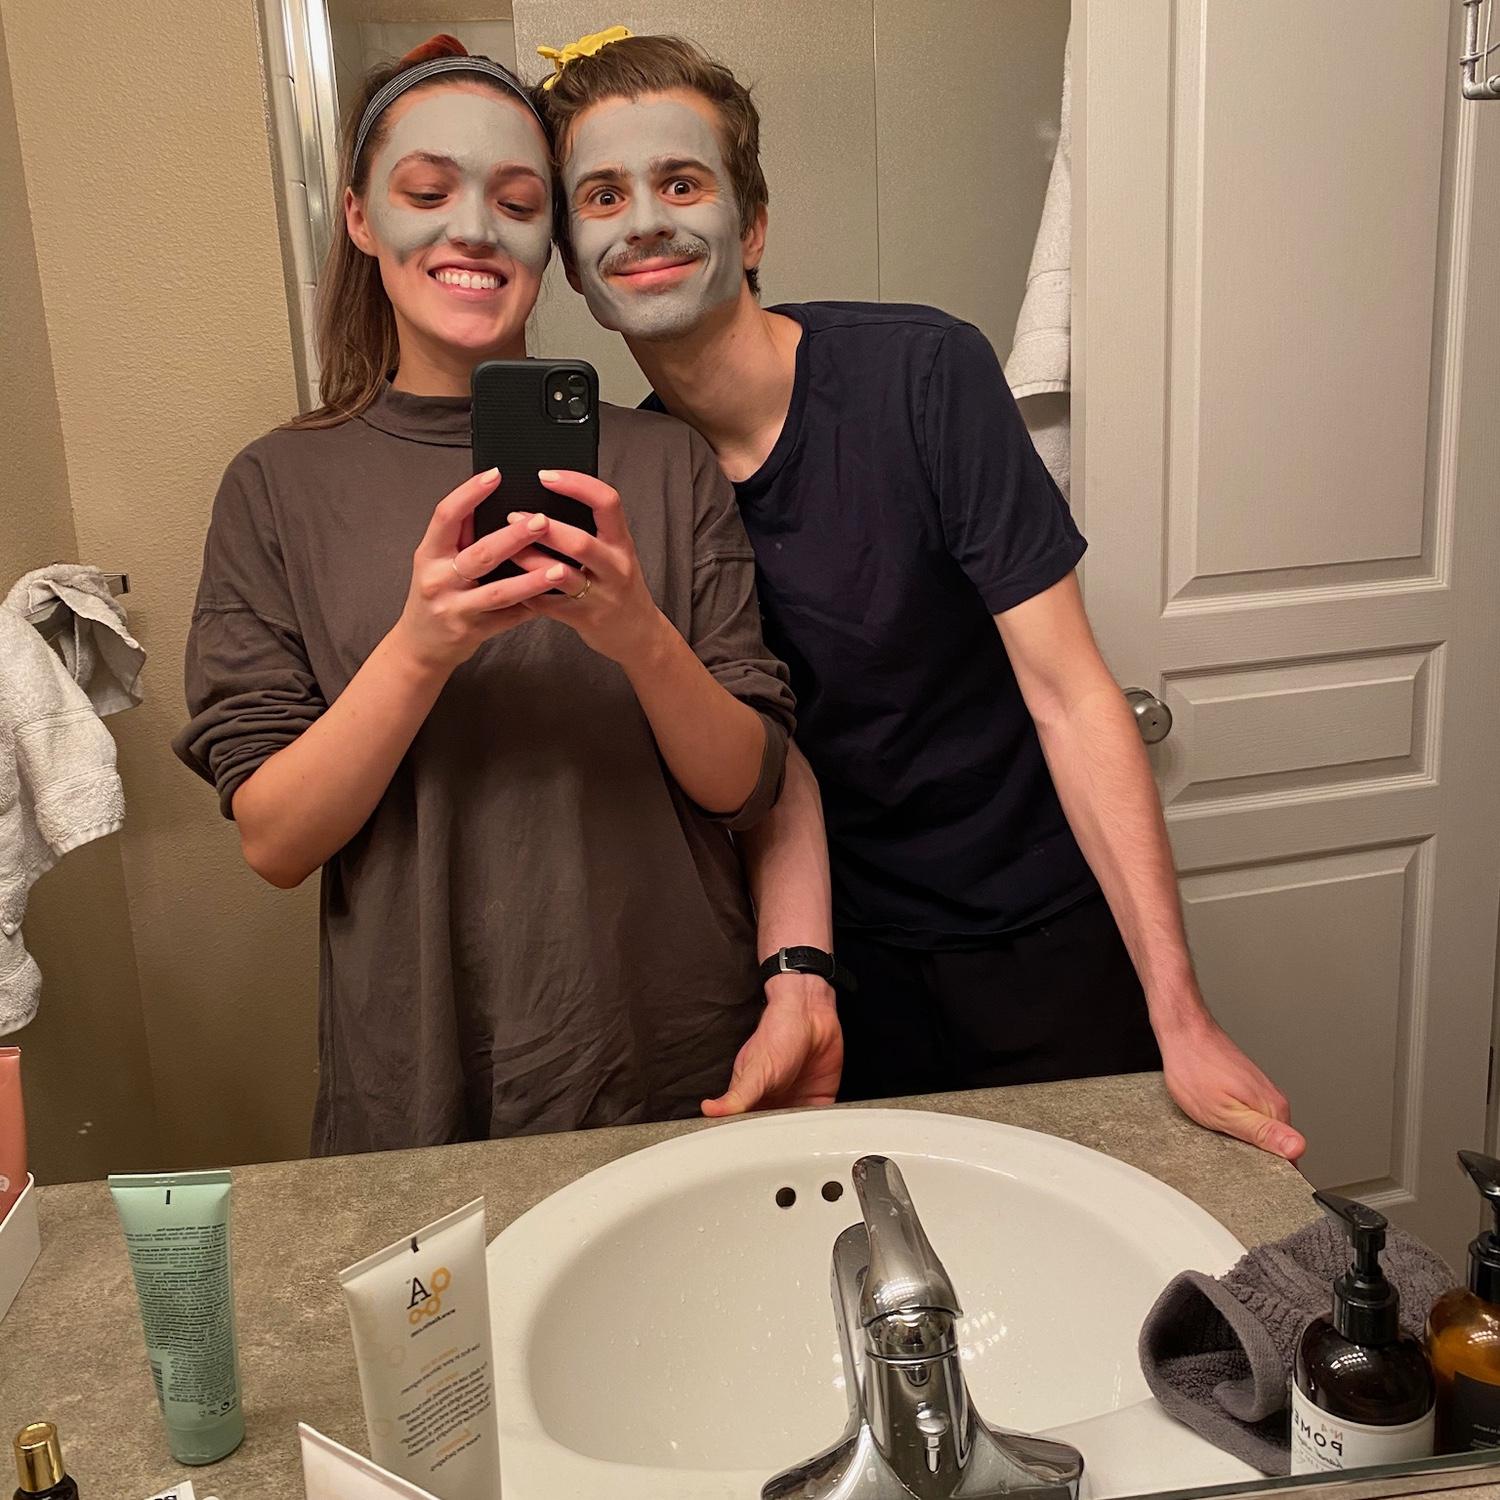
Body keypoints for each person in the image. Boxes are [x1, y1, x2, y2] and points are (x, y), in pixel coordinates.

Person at [529, 28, 1306, 1160]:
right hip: (838, 964)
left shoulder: (922, 374)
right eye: (603, 197)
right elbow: (761, 761)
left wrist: (1178, 1011)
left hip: (1037, 934)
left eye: (681, 183)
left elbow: (1069, 692)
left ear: (752, 225)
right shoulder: (641, 483)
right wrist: (796, 973)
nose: (644, 220)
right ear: (574, 266)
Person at [172, 35, 801, 1154]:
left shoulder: (663, 462)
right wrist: (420, 646)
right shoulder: (277, 486)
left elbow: (750, 786)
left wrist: (639, 636)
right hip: (420, 1065)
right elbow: (275, 840)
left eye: (516, 202)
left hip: (671, 1047)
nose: (473, 229)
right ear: (361, 216)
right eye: (427, 193)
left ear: (550, 240)